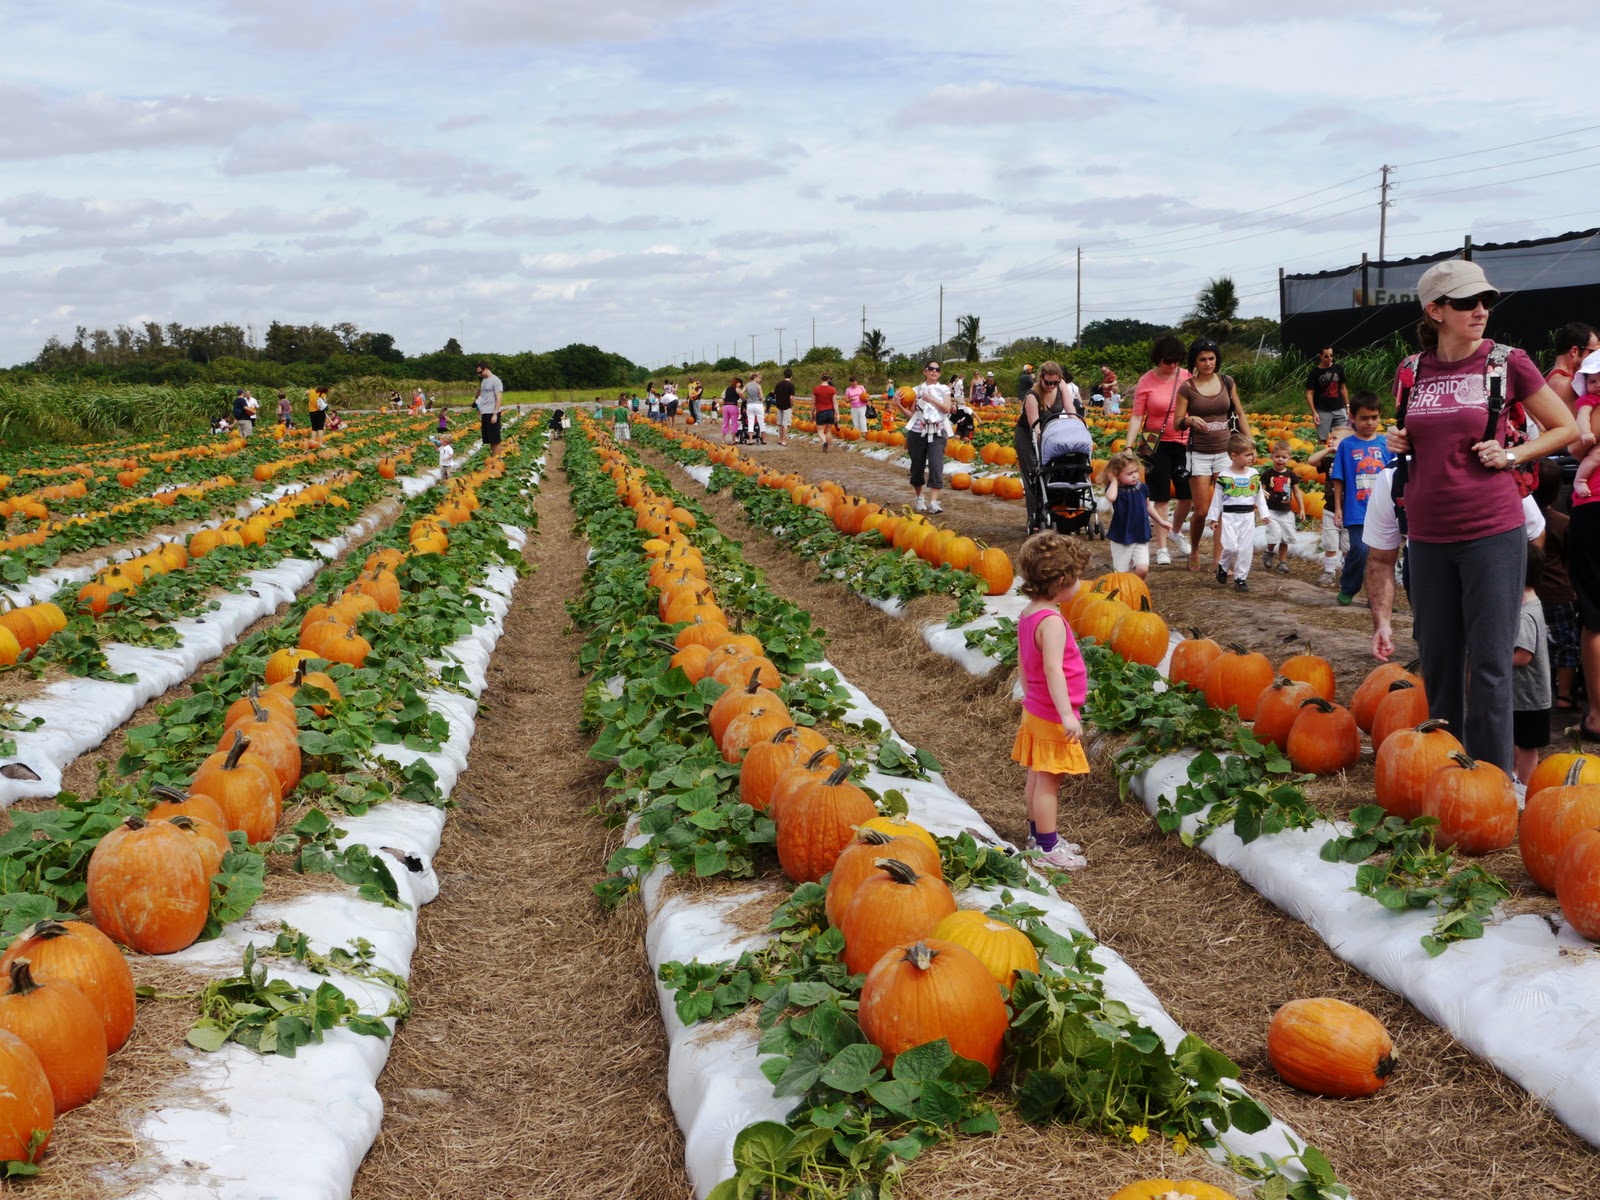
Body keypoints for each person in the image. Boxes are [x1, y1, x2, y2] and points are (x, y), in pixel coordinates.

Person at [1377, 258, 1577, 773]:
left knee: (1490, 665)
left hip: (1492, 530)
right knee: (1440, 661)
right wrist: (1397, 437)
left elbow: (1564, 429)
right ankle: (1446, 768)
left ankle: (1488, 779)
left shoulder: (1508, 361)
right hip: (1427, 533)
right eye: (1467, 302)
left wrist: (1512, 455)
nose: (1481, 310)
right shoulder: (1410, 370)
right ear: (1435, 310)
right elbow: (1411, 436)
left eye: (1486, 300)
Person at [1011, 531, 1091, 872]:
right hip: (1052, 714)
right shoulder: (1053, 622)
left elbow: (1023, 660)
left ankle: (1036, 836)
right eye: (1077, 577)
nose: (1080, 584)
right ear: (1061, 580)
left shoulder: (1030, 613)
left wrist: (1029, 691)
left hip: (1037, 708)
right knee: (1049, 781)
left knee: (1037, 776)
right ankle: (1047, 847)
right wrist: (1067, 716)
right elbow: (1054, 672)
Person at [1173, 337, 1252, 571]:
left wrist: (1249, 443)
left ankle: (1219, 558)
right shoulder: (1187, 387)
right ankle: (1195, 548)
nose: (1208, 363)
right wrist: (1188, 420)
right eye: (1202, 359)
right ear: (1194, 362)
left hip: (1226, 451)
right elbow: (1177, 422)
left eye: (1211, 358)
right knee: (1202, 510)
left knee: (1224, 508)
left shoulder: (1227, 381)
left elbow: (1238, 409)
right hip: (1198, 453)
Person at [1127, 334, 1193, 566]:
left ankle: (1175, 530)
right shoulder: (1146, 381)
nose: (1172, 365)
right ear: (1158, 359)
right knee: (1160, 496)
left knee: (1187, 494)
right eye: (1167, 361)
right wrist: (1128, 445)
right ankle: (1162, 548)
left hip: (1183, 439)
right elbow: (1137, 416)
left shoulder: (1187, 377)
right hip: (1152, 440)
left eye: (1176, 360)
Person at [1330, 393, 1394, 606]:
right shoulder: (1347, 446)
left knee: (1382, 555)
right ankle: (1349, 586)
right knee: (1359, 549)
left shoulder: (1387, 444)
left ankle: (1376, 596)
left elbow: (1396, 475)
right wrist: (1338, 508)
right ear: (1352, 418)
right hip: (1356, 508)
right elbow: (1338, 478)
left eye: (1374, 417)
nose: (1370, 423)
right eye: (1364, 418)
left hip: (1383, 510)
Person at [1534, 462, 1583, 715]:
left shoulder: (1523, 521)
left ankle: (1538, 690)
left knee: (1534, 643)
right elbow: (1571, 560)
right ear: (1557, 492)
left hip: (1531, 592)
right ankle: (1565, 695)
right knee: (1566, 645)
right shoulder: (1562, 522)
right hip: (1559, 592)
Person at [1014, 360, 1074, 532]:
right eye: (1048, 382)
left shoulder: (1060, 386)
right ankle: (1034, 517)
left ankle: (1053, 512)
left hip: (1051, 434)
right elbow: (1035, 428)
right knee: (1034, 473)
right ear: (1041, 379)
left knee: (1053, 472)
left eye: (1054, 382)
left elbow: (1070, 410)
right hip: (1029, 435)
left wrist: (1079, 428)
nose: (1051, 386)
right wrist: (1045, 444)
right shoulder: (1032, 396)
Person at [1204, 432, 1267, 591]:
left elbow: (1258, 495)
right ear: (1234, 456)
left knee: (1246, 548)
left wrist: (1264, 513)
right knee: (1230, 547)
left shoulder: (1254, 474)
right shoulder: (1225, 476)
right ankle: (1223, 565)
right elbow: (1217, 498)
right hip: (1230, 517)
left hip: (1247, 516)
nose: (1252, 458)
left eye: (1252, 454)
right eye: (1247, 455)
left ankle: (1241, 578)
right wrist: (1213, 518)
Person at [1513, 544, 1552, 788]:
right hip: (1523, 696)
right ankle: (1517, 778)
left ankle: (1526, 786)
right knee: (1518, 740)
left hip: (1530, 697)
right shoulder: (1530, 604)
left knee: (1527, 746)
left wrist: (1492, 660)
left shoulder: (1525, 613)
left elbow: (1523, 656)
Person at [1100, 451, 1169, 579]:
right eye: (1129, 473)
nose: (1134, 476)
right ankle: (1122, 591)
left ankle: (1135, 589)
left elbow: (1148, 506)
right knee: (1120, 574)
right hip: (1122, 536)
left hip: (1140, 533)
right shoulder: (1116, 490)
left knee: (1142, 569)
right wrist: (1114, 481)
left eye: (1136, 472)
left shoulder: (1142, 488)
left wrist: (1161, 521)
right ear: (1117, 475)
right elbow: (1111, 497)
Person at [903, 360, 953, 512]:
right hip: (918, 433)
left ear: (940, 373)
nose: (934, 372)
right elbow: (911, 414)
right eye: (931, 369)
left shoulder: (944, 389)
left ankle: (934, 502)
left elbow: (946, 408)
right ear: (925, 372)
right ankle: (919, 498)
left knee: (936, 464)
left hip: (937, 432)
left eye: (937, 370)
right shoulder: (915, 390)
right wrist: (899, 405)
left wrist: (931, 399)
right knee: (917, 466)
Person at [1307, 426, 1351, 585]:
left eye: (1335, 438)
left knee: (1347, 547)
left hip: (1349, 511)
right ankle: (1329, 573)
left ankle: (1346, 574)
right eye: (1330, 438)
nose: (1330, 440)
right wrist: (1328, 450)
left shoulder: (1352, 459)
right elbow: (1311, 461)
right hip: (1330, 510)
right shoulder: (1328, 460)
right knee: (1330, 544)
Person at [1260, 439, 1303, 575]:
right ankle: (1269, 551)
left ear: (1289, 458)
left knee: (1285, 537)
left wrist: (1302, 509)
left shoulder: (1291, 475)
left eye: (1284, 457)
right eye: (1277, 456)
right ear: (1272, 456)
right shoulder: (1267, 474)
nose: (1280, 460)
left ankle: (1282, 562)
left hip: (1286, 512)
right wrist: (1261, 500)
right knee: (1274, 535)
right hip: (1271, 511)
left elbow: (1297, 492)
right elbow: (1261, 490)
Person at [1568, 351, 1600, 498]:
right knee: (1595, 456)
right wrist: (1586, 432)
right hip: (1593, 443)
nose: (1598, 385)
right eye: (1592, 381)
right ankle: (1580, 480)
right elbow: (1582, 415)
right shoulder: (1590, 399)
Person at [1305, 345, 1351, 440]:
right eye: (1326, 356)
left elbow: (1343, 388)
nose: (1329, 358)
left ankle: (1339, 454)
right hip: (1322, 410)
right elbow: (1309, 393)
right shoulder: (1314, 373)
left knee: (1341, 437)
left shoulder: (1339, 369)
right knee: (1323, 439)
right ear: (1320, 356)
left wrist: (1347, 406)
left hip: (1339, 408)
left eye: (1331, 355)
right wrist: (1314, 412)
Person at [475, 362, 504, 456]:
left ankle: (497, 460)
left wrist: (495, 414)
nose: (480, 375)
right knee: (489, 439)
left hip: (492, 412)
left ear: (486, 368)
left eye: (481, 372)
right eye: (478, 373)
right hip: (485, 412)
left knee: (495, 439)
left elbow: (499, 398)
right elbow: (482, 397)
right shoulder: (484, 381)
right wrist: (480, 410)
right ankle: (493, 457)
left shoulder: (496, 380)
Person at [811, 371, 837, 450]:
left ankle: (824, 442)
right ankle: (827, 447)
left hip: (821, 412)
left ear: (821, 379)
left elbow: (813, 403)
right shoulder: (832, 389)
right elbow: (835, 403)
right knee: (829, 431)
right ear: (828, 379)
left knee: (820, 431)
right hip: (830, 411)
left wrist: (812, 412)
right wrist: (837, 414)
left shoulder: (816, 389)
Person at [773, 368, 797, 446]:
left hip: (779, 405)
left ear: (784, 375)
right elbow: (791, 397)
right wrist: (791, 405)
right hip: (787, 406)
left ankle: (780, 439)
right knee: (785, 423)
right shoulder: (791, 385)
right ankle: (784, 440)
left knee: (780, 423)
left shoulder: (779, 384)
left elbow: (775, 395)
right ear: (791, 376)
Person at [743, 372, 766, 444]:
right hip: (758, 404)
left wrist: (744, 399)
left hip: (750, 405)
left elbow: (741, 392)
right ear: (755, 377)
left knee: (750, 421)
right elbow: (761, 397)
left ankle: (750, 440)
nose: (760, 379)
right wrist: (762, 399)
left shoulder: (747, 385)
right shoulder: (758, 386)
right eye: (759, 378)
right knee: (761, 421)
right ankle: (764, 439)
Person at [721, 378, 742, 443]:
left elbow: (722, 397)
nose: (740, 385)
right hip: (733, 406)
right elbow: (741, 396)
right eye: (740, 384)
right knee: (734, 423)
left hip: (725, 406)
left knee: (725, 423)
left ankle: (723, 439)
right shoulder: (737, 389)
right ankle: (733, 440)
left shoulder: (726, 389)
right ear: (737, 383)